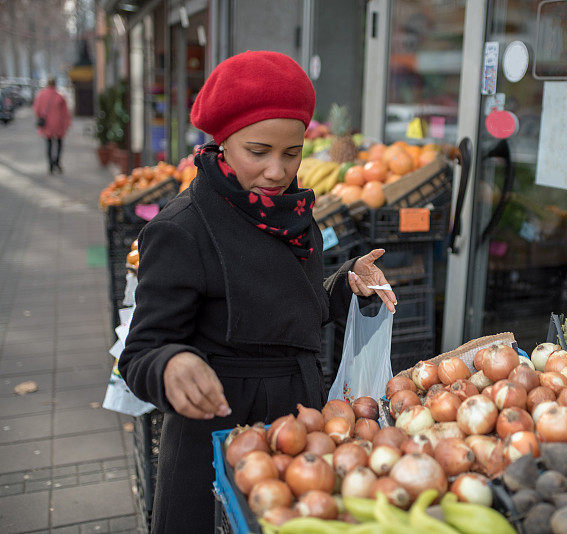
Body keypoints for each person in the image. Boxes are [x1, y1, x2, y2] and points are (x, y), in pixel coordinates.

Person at [118, 51, 397, 533]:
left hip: (297, 431)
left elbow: (298, 310)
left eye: (292, 153)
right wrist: (170, 363)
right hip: (219, 439)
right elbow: (140, 353)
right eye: (259, 151)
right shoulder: (182, 229)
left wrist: (347, 284)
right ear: (222, 142)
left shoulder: (290, 211)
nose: (276, 171)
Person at [33, 78, 71, 174]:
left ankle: (50, 164)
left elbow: (36, 109)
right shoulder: (60, 96)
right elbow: (65, 112)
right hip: (58, 124)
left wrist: (40, 117)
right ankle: (57, 162)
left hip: (47, 125)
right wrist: (67, 124)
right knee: (59, 144)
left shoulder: (41, 95)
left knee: (49, 144)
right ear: (55, 84)